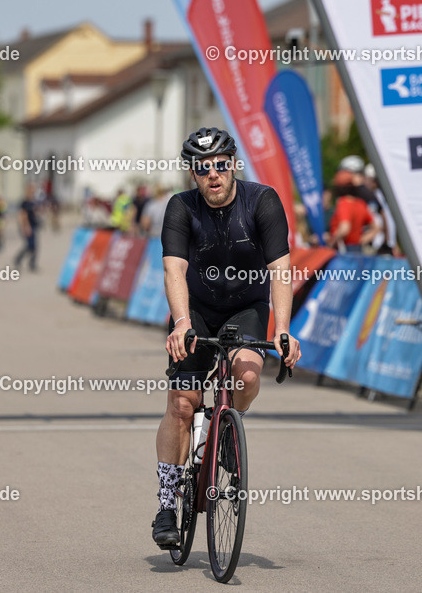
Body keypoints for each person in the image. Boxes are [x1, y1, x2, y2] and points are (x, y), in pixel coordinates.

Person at [151, 127, 302, 548]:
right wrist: (182, 322)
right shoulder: (181, 207)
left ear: (233, 163)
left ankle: (226, 432)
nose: (213, 175)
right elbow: (174, 270)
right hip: (196, 310)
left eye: (220, 165)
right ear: (193, 173)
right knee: (182, 404)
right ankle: (166, 501)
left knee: (249, 376)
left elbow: (281, 271)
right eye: (203, 168)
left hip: (245, 308)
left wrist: (283, 330)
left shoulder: (262, 201)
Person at [327, 183, 378, 253]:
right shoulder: (361, 204)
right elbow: (376, 227)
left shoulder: (344, 202)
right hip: (357, 248)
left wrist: (332, 241)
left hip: (344, 248)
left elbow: (344, 229)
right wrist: (362, 239)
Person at [14, 184, 39, 272]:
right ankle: (19, 259)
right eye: (32, 191)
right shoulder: (25, 203)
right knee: (30, 246)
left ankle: (31, 263)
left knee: (33, 246)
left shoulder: (33, 202)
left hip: (33, 225)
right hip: (28, 226)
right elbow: (23, 216)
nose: (33, 192)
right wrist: (26, 227)